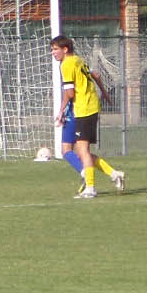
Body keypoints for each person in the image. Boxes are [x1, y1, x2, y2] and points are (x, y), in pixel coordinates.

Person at [49, 35, 126, 198]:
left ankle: (90, 187)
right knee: (81, 152)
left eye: (55, 49)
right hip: (91, 106)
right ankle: (114, 174)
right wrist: (104, 93)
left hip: (83, 108)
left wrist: (61, 110)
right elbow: (96, 75)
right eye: (52, 49)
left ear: (65, 49)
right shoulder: (78, 60)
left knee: (82, 150)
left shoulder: (66, 64)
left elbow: (70, 93)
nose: (53, 53)